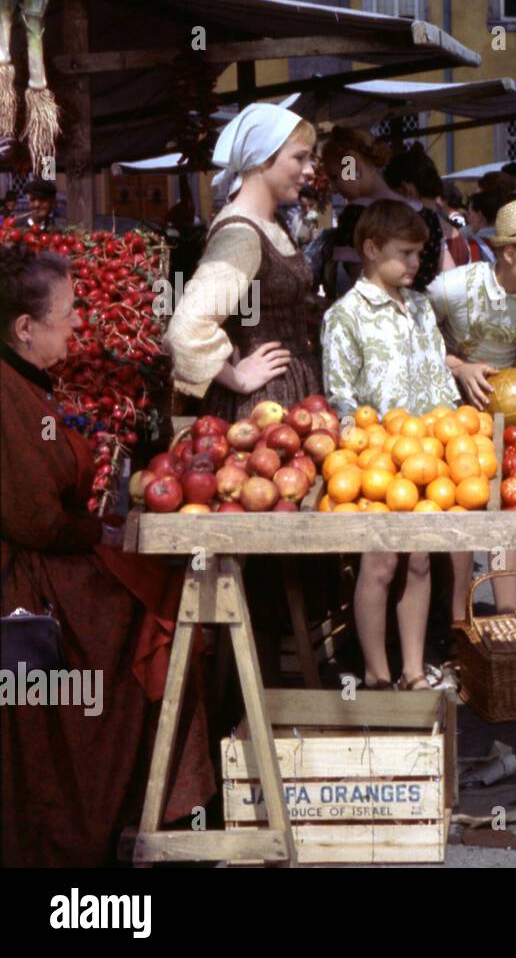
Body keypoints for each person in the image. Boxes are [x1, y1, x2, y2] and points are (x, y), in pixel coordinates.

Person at [1, 246, 214, 865]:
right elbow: (35, 519)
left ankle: (155, 802)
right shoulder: (9, 395)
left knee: (159, 603)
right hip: (27, 590)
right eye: (67, 314)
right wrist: (98, 535)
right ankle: (116, 813)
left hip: (46, 563)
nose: (77, 326)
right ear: (23, 328)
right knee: (142, 630)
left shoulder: (25, 386)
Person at [322, 201, 462, 690]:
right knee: (379, 563)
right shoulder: (345, 316)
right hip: (377, 458)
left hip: (426, 455)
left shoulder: (421, 306)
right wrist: (361, 446)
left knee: (420, 559)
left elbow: (439, 374)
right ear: (370, 249)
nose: (414, 263)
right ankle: (376, 672)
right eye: (404, 253)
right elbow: (341, 396)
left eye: (420, 253)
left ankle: (412, 668)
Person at [429, 197, 516, 623]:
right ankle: (458, 620)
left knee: (510, 506)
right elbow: (418, 344)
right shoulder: (451, 290)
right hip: (454, 412)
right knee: (463, 512)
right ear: (509, 253)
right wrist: (459, 366)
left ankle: (506, 613)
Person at [165, 103, 321, 420]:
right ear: (263, 158)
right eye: (300, 157)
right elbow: (185, 329)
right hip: (263, 404)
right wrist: (238, 378)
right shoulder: (241, 234)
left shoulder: (269, 222)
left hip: (291, 391)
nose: (310, 169)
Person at [318, 127, 449, 301]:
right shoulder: (428, 216)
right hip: (427, 319)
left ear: (351, 163)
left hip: (381, 320)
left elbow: (361, 285)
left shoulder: (356, 215)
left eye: (335, 177)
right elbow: (449, 277)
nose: (334, 188)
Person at [290, 184, 321, 248]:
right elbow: (294, 240)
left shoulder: (323, 219)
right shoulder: (297, 218)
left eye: (311, 205)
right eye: (303, 206)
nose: (307, 209)